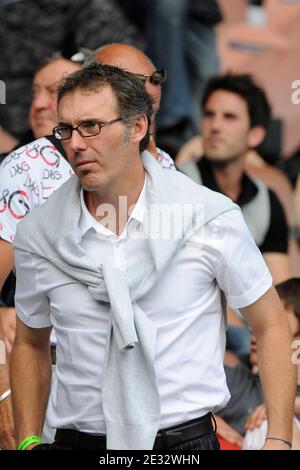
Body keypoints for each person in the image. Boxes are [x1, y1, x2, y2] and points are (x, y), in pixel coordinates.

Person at [10, 62, 295, 451]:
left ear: (138, 127)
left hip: (184, 445)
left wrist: (278, 437)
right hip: (78, 444)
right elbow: (29, 341)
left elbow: (272, 324)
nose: (75, 143)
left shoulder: (207, 216)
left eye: (92, 126)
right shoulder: (38, 235)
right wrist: (27, 441)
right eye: (66, 129)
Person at [0, 44, 174, 450]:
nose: (147, 88)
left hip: (150, 385)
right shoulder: (34, 165)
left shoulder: (166, 169)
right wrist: (6, 385)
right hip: (55, 376)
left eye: (153, 79)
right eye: (130, 81)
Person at [178, 73, 292, 285]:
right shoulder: (176, 183)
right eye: (209, 115)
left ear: (255, 135)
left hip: (250, 317)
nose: (215, 126)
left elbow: (282, 290)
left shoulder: (268, 201)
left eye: (229, 117)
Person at [216, 277, 300, 450]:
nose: (255, 331)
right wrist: (210, 421)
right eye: (258, 323)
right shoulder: (236, 378)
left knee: (278, 424)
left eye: (276, 326)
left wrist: (288, 407)